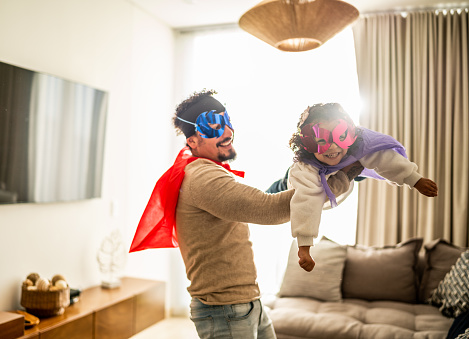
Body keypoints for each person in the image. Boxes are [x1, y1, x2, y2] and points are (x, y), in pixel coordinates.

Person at [129, 90, 361, 339]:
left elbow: (261, 198)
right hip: (225, 310)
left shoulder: (207, 171)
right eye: (213, 127)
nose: (227, 132)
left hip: (245, 303)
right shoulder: (203, 177)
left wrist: (300, 174)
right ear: (192, 141)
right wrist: (342, 176)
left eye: (227, 123)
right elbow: (268, 209)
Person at [288, 103, 438, 272]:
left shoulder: (360, 144)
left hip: (344, 171)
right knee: (278, 191)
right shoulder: (304, 167)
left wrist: (414, 179)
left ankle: (356, 170)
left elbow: (385, 158)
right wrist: (304, 246)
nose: (332, 147)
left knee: (364, 159)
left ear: (349, 133)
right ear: (308, 142)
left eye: (340, 138)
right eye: (322, 140)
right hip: (294, 183)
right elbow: (306, 200)